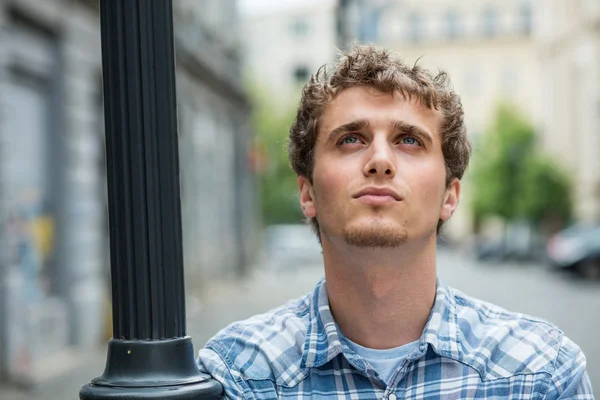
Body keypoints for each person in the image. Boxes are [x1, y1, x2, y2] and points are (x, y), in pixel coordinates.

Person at [197, 44, 593, 399]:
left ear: (449, 196)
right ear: (308, 193)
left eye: (409, 140)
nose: (380, 161)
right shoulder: (240, 375)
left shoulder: (540, 374)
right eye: (350, 138)